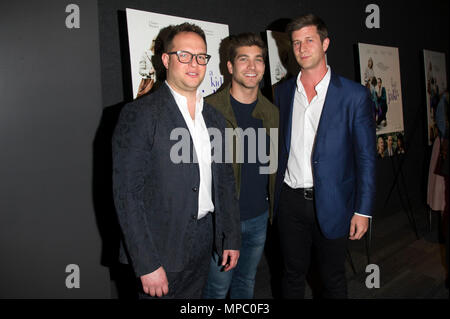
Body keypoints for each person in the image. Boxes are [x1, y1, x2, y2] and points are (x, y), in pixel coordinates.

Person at [112, 23, 241, 299]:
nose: (194, 63)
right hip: (159, 246)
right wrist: (146, 263)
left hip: (204, 239)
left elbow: (225, 181)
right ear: (166, 60)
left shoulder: (216, 119)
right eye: (184, 55)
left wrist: (230, 235)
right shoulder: (141, 114)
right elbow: (127, 195)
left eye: (200, 57)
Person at [273, 14, 376, 298]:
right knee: (291, 275)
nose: (302, 48)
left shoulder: (354, 96)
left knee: (332, 278)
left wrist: (363, 210)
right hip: (290, 202)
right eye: (296, 43)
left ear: (325, 43)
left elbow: (366, 158)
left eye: (309, 40)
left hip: (333, 200)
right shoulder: (282, 92)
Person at [202, 33, 279, 299]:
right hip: (223, 222)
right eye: (243, 59)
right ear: (230, 67)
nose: (252, 67)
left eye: (258, 60)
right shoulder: (208, 110)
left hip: (259, 218)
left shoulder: (272, 112)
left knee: (246, 284)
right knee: (217, 289)